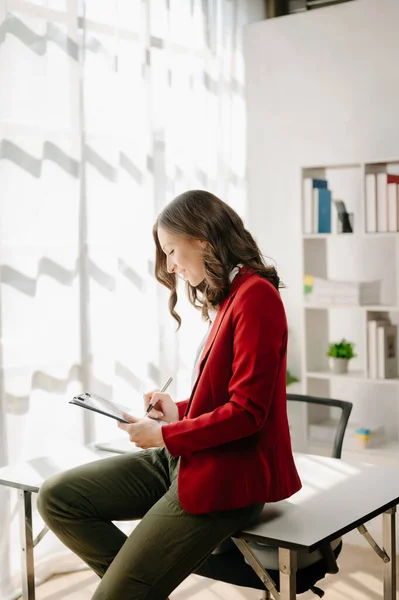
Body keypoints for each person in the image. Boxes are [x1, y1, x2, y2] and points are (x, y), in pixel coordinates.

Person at [37, 190, 301, 600]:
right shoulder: (231, 295)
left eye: (172, 250)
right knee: (58, 498)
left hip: (228, 478)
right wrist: (177, 412)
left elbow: (248, 412)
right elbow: (223, 399)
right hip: (188, 457)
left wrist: (163, 436)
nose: (172, 265)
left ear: (201, 237)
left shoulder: (257, 297)